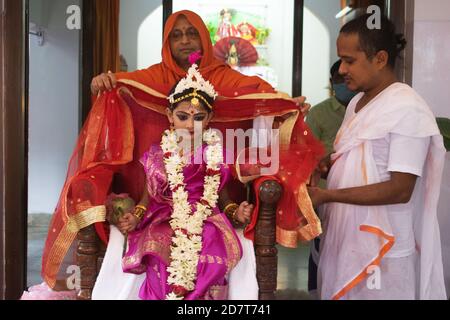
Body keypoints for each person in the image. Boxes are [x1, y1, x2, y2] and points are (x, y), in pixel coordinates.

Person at [40, 10, 323, 295]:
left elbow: (259, 93)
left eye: (192, 34)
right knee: (159, 254)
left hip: (207, 211)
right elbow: (125, 83)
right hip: (162, 209)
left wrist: (285, 103)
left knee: (207, 254)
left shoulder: (224, 79)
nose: (185, 41)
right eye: (176, 35)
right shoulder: (152, 78)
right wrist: (105, 82)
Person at [308, 14, 447, 300]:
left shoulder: (406, 108)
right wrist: (329, 167)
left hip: (384, 248)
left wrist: (328, 195)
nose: (342, 69)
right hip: (346, 240)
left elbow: (400, 189)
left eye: (349, 60)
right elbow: (363, 161)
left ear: (380, 59)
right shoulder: (357, 102)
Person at [93, 64, 256, 300]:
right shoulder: (158, 155)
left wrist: (236, 212)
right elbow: (147, 198)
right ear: (170, 116)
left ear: (209, 118)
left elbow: (223, 199)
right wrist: (136, 216)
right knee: (162, 249)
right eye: (182, 116)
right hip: (164, 215)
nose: (190, 125)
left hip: (206, 217)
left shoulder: (214, 155)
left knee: (209, 248)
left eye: (198, 118)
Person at [305, 60, 357, 296]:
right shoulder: (319, 114)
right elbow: (306, 158)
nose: (343, 83)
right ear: (332, 83)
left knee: (353, 253)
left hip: (360, 196)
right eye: (338, 80)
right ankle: (320, 291)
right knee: (324, 250)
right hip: (325, 197)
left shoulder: (366, 109)